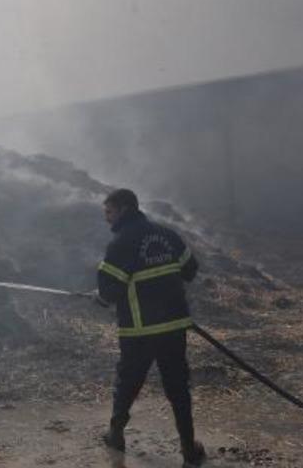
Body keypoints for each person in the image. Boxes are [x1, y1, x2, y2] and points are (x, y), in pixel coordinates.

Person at [96, 189, 206, 468]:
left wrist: (99, 297)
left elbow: (109, 292)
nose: (106, 219)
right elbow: (190, 270)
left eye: (108, 212)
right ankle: (189, 450)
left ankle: (116, 434)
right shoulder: (167, 235)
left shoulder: (120, 244)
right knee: (178, 387)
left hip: (139, 330)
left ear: (122, 209)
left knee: (128, 383)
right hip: (173, 326)